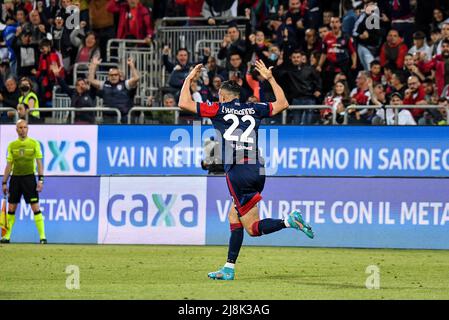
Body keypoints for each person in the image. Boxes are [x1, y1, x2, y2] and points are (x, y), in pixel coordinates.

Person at [178, 61, 314, 281]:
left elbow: (183, 103)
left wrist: (189, 78)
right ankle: (229, 268)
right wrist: (270, 79)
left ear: (222, 97)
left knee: (252, 228)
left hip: (237, 170)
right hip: (257, 167)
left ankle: (289, 221)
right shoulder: (255, 108)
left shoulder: (218, 109)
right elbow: (283, 103)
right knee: (234, 214)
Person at [1, 119, 47, 244]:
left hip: (29, 179)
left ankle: (43, 237)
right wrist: (4, 182)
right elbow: (9, 165)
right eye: (20, 128)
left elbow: (39, 163)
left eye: (25, 127)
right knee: (11, 208)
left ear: (28, 129)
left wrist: (41, 180)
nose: (23, 130)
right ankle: (6, 236)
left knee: (35, 207)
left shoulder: (34, 144)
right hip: (15, 179)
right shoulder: (12, 145)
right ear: (16, 130)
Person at [88, 56, 140, 123]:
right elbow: (91, 80)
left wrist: (132, 65)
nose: (113, 77)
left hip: (125, 117)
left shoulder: (125, 84)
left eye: (115, 75)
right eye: (111, 75)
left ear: (119, 76)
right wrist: (94, 66)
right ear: (108, 77)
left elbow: (136, 78)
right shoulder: (104, 84)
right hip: (108, 117)